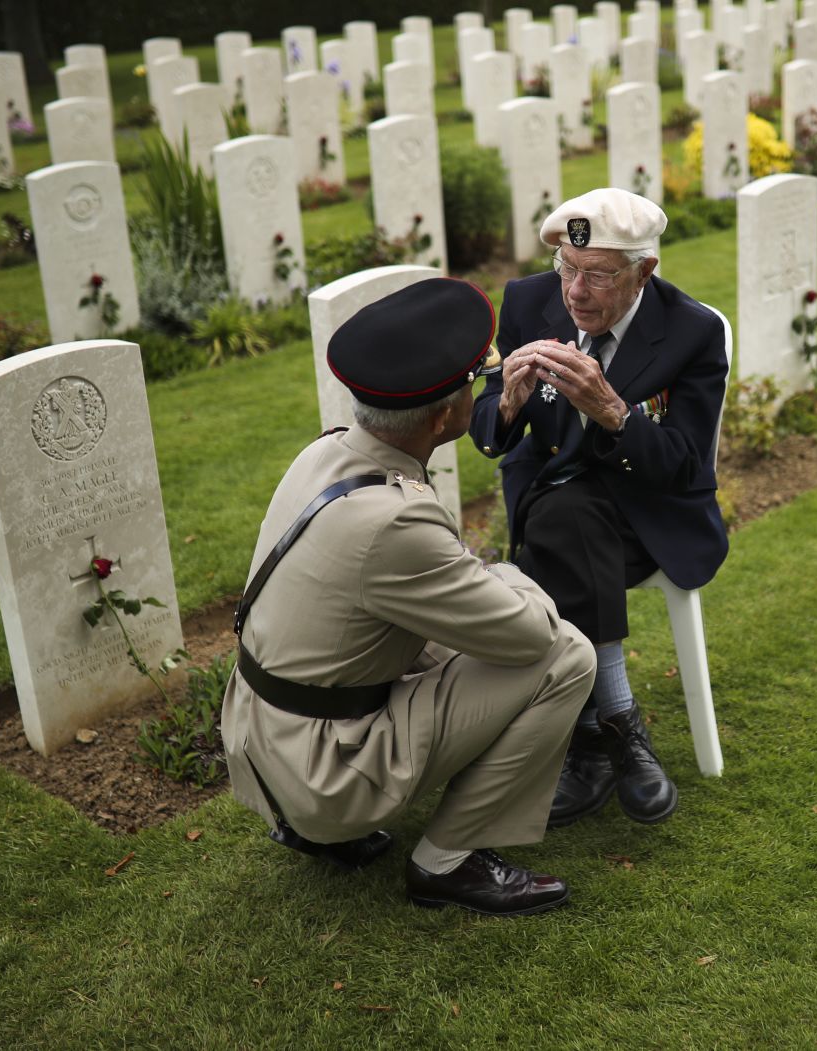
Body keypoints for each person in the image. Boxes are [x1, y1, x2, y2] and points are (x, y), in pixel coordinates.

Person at [221, 277, 598, 917]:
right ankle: (448, 861)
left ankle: (314, 826)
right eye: (471, 385)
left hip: (257, 743)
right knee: (566, 654)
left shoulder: (325, 452)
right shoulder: (393, 521)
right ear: (443, 415)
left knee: (456, 633)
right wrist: (515, 578)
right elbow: (530, 637)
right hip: (321, 775)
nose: (477, 393)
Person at [469, 188, 729, 830]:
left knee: (566, 522)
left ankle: (588, 740)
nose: (576, 293)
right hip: (556, 503)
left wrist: (613, 412)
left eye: (598, 276)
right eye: (567, 268)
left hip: (646, 513)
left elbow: (686, 468)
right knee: (566, 513)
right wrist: (505, 405)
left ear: (645, 271)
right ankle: (619, 725)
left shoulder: (691, 332)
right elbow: (485, 429)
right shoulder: (529, 301)